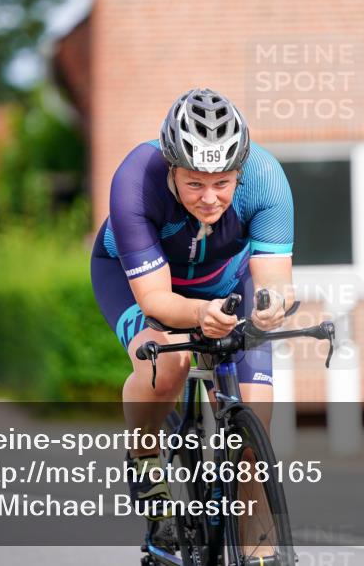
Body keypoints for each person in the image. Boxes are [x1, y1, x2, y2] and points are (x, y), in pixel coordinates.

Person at [90, 87, 294, 552]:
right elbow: (158, 300)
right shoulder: (136, 180)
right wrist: (201, 314)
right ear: (171, 168)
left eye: (223, 183)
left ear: (240, 172)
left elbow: (276, 279)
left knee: (253, 437)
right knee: (167, 366)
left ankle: (258, 556)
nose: (209, 198)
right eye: (194, 183)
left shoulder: (266, 178)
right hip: (139, 282)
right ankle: (147, 469)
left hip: (227, 284)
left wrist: (271, 305)